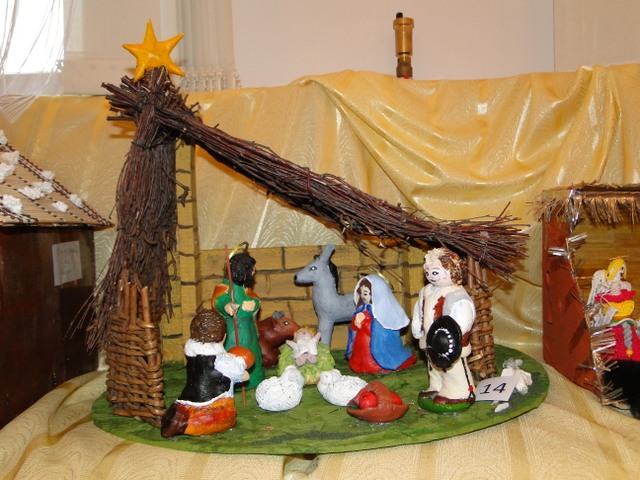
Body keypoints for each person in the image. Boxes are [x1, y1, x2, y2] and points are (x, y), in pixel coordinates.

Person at [160, 309, 251, 437]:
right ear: (224, 337)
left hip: (187, 398)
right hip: (213, 403)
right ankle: (189, 426)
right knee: (225, 417)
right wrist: (241, 363)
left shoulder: (192, 354)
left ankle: (177, 420)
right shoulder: (222, 361)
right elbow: (243, 375)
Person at [411, 248, 476, 410]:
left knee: (452, 368)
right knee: (434, 366)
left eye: (435, 272)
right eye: (428, 272)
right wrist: (418, 329)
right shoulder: (425, 291)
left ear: (452, 271)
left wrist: (452, 339)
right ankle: (436, 385)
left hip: (448, 343)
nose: (430, 276)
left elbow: (464, 316)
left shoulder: (455, 294)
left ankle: (459, 392)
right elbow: (419, 310)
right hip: (429, 339)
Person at [211, 250, 264, 389]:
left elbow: (254, 299)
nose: (253, 273)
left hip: (249, 330)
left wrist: (254, 304)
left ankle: (254, 378)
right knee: (234, 356)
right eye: (252, 270)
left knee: (252, 353)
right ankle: (232, 382)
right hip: (233, 331)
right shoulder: (225, 287)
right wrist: (227, 306)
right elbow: (219, 300)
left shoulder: (246, 288)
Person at [346, 274, 416, 374]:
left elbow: (380, 332)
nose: (362, 296)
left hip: (376, 347)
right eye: (361, 293)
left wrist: (364, 324)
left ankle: (378, 365)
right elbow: (354, 328)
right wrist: (355, 323)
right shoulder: (363, 309)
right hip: (361, 344)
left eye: (365, 293)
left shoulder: (384, 312)